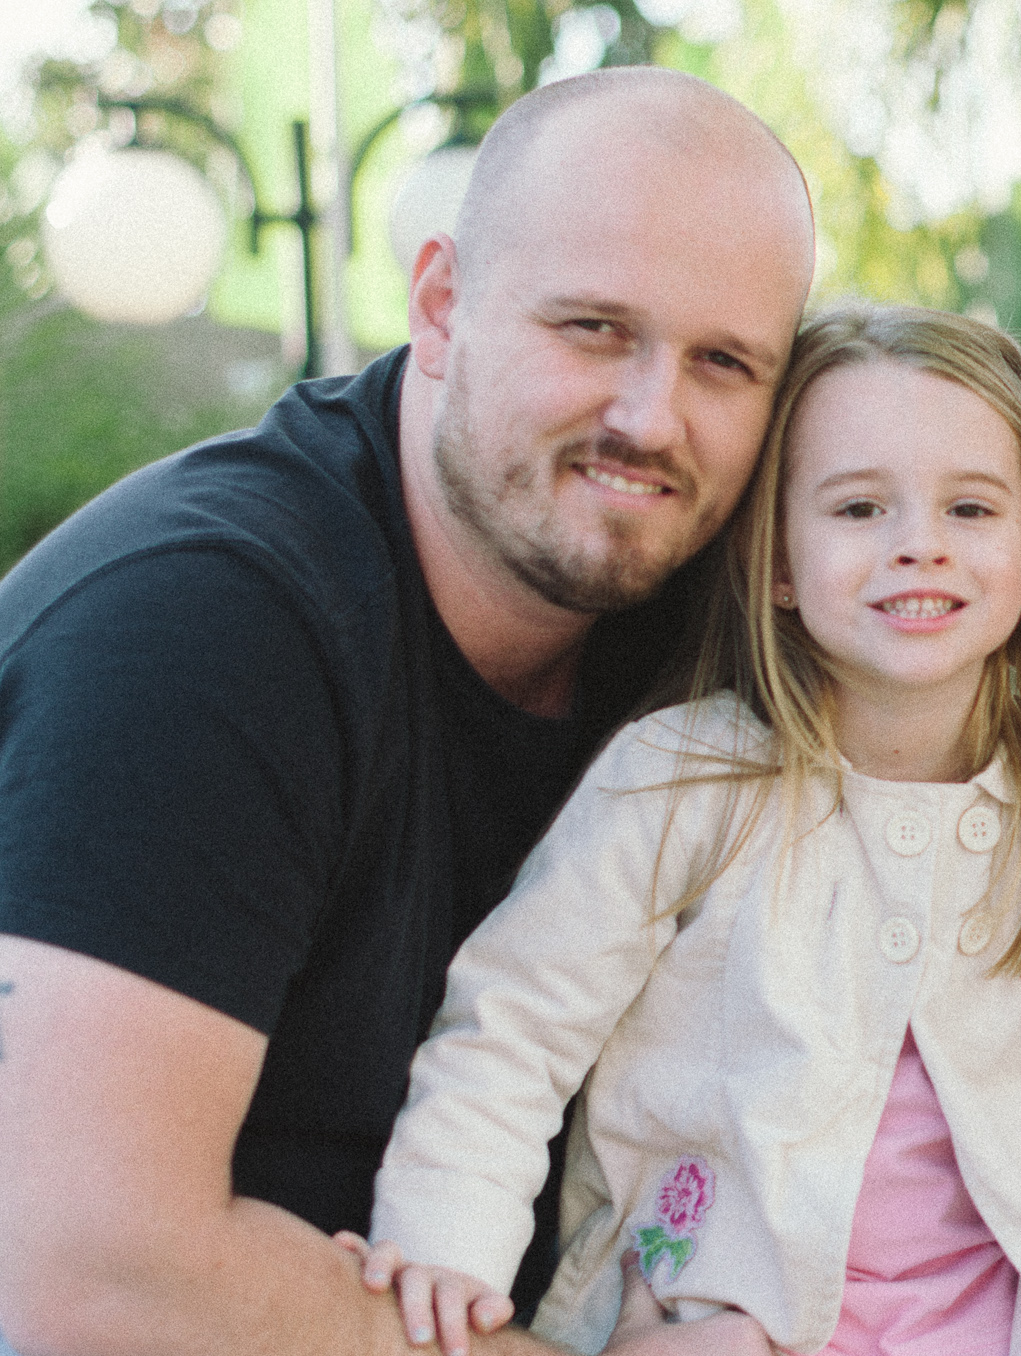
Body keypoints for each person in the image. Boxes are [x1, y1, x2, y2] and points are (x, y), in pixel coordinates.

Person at [0, 67, 816, 1356]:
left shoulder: (719, 623)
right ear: (441, 304)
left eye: (724, 362)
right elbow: (89, 1277)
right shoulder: (200, 625)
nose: (650, 417)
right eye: (592, 328)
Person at [341, 303, 1021, 1356]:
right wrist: (447, 1248)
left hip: (990, 1309)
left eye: (969, 509)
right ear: (777, 559)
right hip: (730, 1300)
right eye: (860, 507)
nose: (919, 546)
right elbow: (514, 1029)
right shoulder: (686, 778)